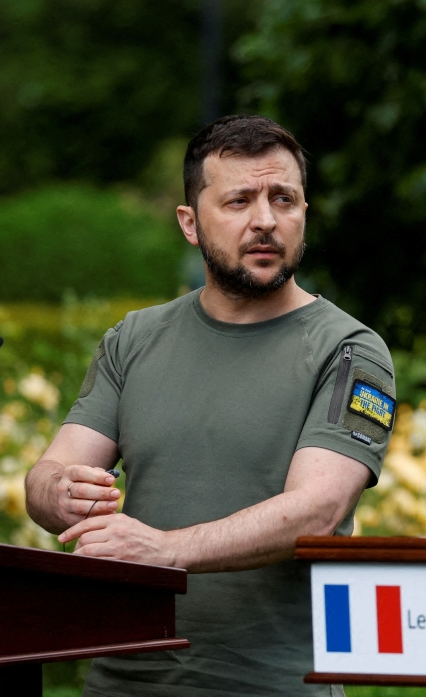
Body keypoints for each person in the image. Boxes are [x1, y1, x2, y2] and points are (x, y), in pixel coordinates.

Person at [25, 115, 395, 696]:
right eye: (239, 200)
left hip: (273, 686)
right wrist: (59, 493)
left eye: (284, 199)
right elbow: (46, 479)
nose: (266, 220)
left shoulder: (349, 350)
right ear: (190, 223)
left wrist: (166, 550)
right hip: (123, 681)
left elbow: (317, 511)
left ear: (304, 213)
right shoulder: (134, 339)